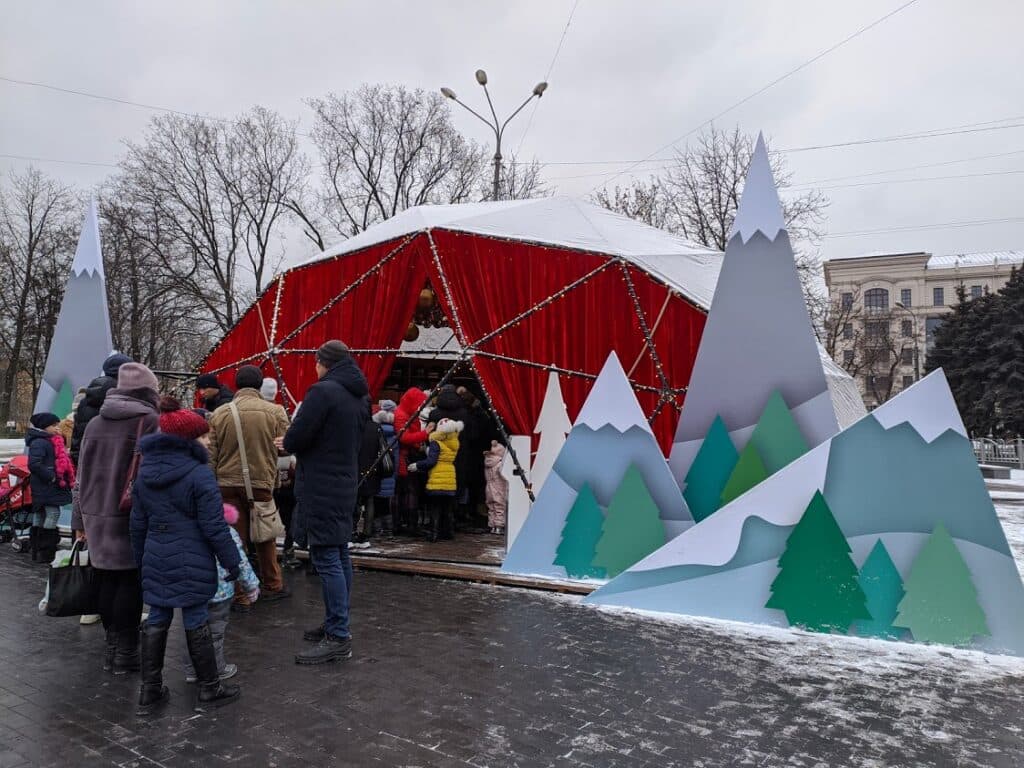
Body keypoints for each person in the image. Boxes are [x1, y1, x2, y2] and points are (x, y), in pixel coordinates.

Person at [130, 398, 243, 715]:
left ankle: (149, 691)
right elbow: (214, 526)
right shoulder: (199, 474)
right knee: (195, 616)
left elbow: (137, 524)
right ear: (186, 441)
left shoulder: (145, 471)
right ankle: (209, 687)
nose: (208, 441)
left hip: (156, 554)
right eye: (203, 436)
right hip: (192, 557)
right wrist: (232, 562)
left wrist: (141, 559)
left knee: (157, 616)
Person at [280, 340, 368, 665]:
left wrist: (287, 441)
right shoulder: (359, 396)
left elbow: (297, 438)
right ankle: (335, 623)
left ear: (323, 362)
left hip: (321, 486)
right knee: (339, 554)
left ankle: (338, 636)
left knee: (327, 558)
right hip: (343, 483)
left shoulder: (322, 392)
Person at [72, 362, 160, 674]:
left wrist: (78, 521)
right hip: (130, 514)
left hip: (95, 512)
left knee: (106, 579)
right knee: (130, 582)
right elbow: (154, 472)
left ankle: (112, 647)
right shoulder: (149, 420)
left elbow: (80, 476)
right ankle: (126, 651)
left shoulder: (95, 423)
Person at [207, 366, 290, 610]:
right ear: (259, 385)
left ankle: (240, 594)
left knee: (235, 539)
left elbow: (211, 454)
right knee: (265, 535)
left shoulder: (220, 413)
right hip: (260, 482)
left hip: (226, 484)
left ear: (236, 384)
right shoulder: (275, 411)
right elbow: (285, 448)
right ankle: (272, 584)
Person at [182, 503, 260, 685]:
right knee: (216, 631)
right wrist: (251, 586)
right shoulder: (227, 533)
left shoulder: (186, 532)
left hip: (191, 591)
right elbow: (240, 562)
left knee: (192, 631)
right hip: (220, 592)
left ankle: (192, 670)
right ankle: (217, 668)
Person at [26, 412, 74, 564]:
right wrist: (52, 477)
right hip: (47, 484)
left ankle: (37, 549)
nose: (57, 428)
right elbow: (34, 464)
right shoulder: (40, 442)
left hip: (44, 485)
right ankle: (46, 549)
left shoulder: (46, 440)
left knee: (40, 513)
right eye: (54, 425)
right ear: (44, 426)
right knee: (52, 513)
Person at [71, 353, 132, 465]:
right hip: (116, 464)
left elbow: (77, 436)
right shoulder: (126, 400)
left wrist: (78, 461)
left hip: (87, 462)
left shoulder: (85, 401)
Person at [409, 418, 464, 542]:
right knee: (447, 508)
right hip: (450, 477)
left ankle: (433, 534)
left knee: (435, 507)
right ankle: (448, 533)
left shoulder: (436, 443)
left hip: (437, 476)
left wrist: (417, 465)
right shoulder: (454, 442)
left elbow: (431, 461)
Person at [393, 388, 429, 535]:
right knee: (409, 491)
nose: (420, 407)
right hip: (405, 458)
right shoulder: (402, 415)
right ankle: (407, 524)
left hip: (411, 455)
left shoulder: (409, 413)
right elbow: (403, 437)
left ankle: (407, 523)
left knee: (409, 491)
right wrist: (425, 434)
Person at [354, 399, 383, 546]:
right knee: (370, 500)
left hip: (355, 468)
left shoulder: (354, 426)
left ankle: (352, 530)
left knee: (354, 501)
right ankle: (366, 532)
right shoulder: (376, 427)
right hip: (372, 468)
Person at [373, 400, 400, 537]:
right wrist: (394, 475)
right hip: (389, 475)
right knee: (386, 504)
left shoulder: (375, 433)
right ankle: (389, 530)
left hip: (376, 474)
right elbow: (396, 460)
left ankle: (377, 530)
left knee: (375, 504)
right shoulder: (395, 436)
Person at [483, 440, 508, 535]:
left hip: (489, 488)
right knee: (500, 507)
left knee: (491, 507)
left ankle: (492, 526)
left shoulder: (487, 462)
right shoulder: (500, 464)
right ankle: (499, 527)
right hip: (499, 488)